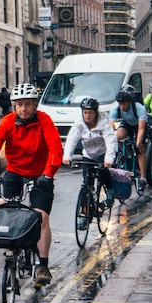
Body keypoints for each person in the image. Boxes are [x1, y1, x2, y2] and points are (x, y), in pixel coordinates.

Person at [0, 83, 63, 286]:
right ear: (14, 106)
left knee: (41, 216)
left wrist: (48, 173)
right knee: (1, 205)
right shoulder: (8, 121)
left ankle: (43, 265)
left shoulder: (44, 121)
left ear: (35, 105)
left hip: (41, 174)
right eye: (19, 105)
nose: (23, 109)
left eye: (27, 104)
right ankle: (10, 252)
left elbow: (55, 148)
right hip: (15, 172)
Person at [63, 97, 118, 230]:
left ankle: (110, 193)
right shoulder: (79, 124)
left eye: (90, 113)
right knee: (86, 185)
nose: (87, 116)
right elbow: (72, 139)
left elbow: (111, 142)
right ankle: (84, 216)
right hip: (88, 155)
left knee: (103, 173)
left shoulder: (103, 124)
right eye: (85, 113)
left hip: (102, 154)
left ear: (95, 113)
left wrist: (109, 159)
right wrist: (67, 156)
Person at [109, 84, 148, 192]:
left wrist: (138, 143)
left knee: (140, 148)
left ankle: (143, 178)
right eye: (119, 103)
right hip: (127, 124)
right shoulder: (115, 109)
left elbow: (141, 128)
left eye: (123, 104)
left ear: (129, 102)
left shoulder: (139, 108)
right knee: (117, 137)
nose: (121, 106)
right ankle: (127, 155)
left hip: (139, 125)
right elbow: (111, 128)